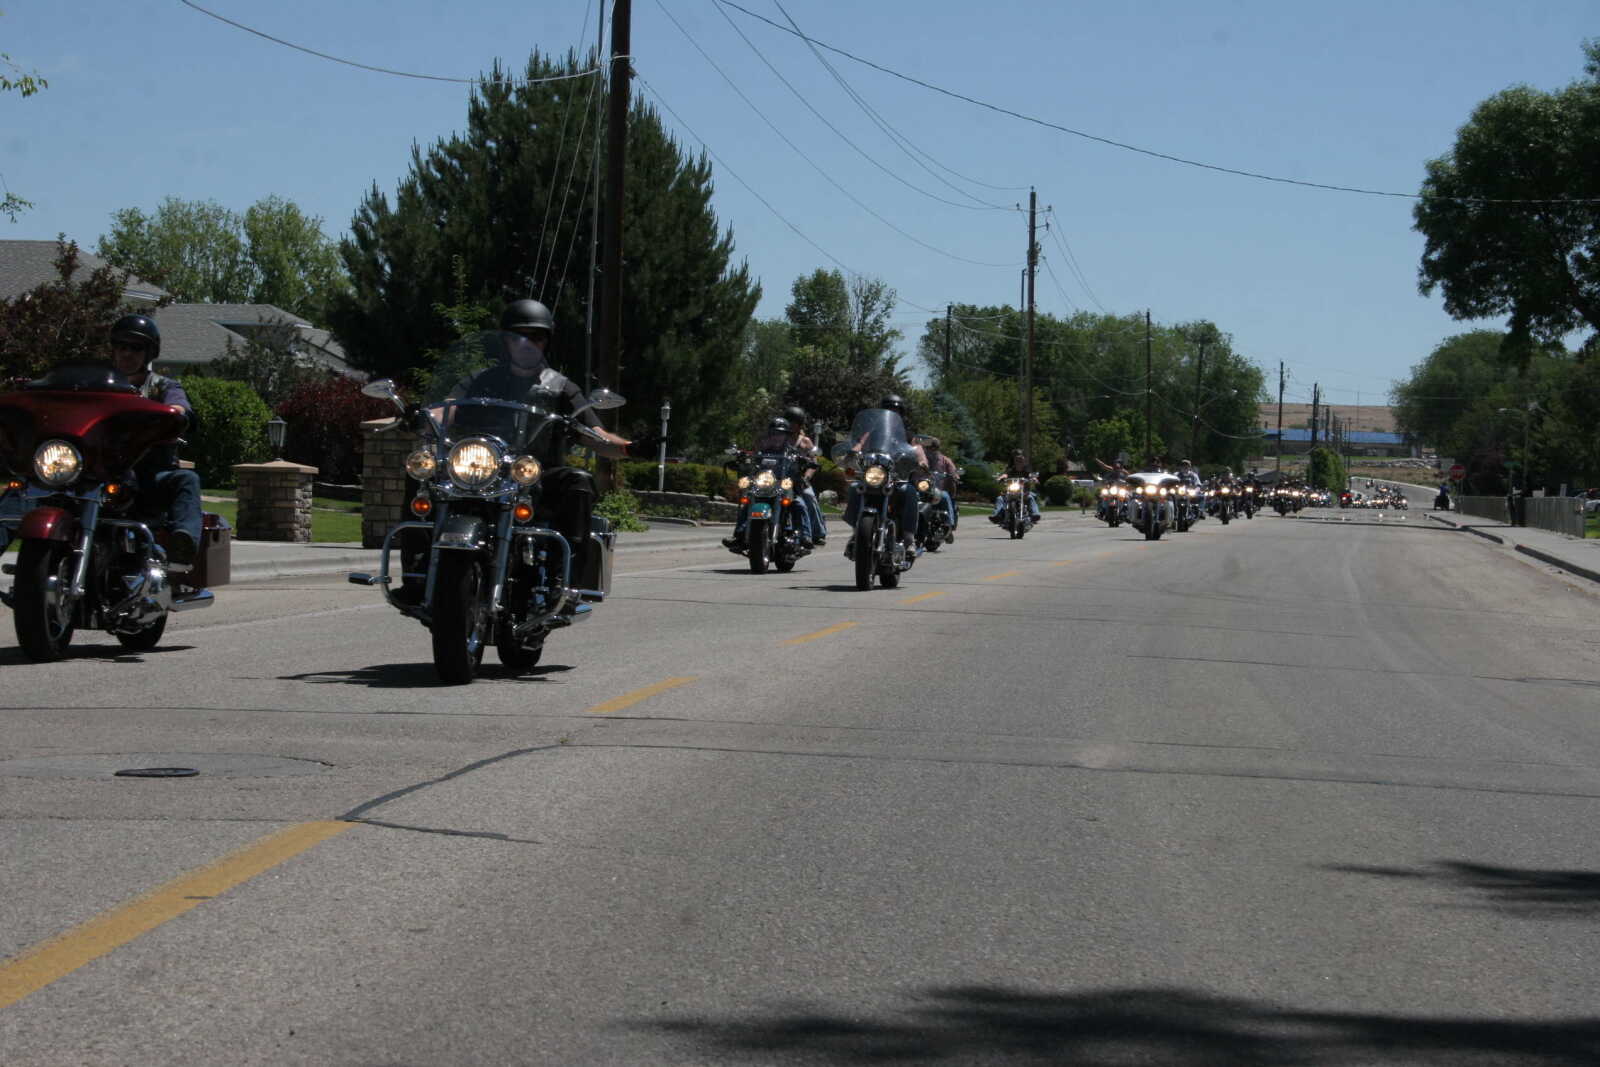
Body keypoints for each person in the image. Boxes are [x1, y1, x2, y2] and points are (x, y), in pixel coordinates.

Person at [444, 299, 650, 588]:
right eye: (519, 336)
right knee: (422, 475)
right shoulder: (481, 381)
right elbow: (448, 408)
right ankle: (416, 573)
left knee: (579, 481)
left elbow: (594, 433)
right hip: (485, 470)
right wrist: (422, 415)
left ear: (546, 342)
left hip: (540, 474)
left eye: (536, 337)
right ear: (506, 341)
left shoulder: (561, 387)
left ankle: (565, 579)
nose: (527, 343)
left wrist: (629, 447)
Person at [107, 314, 202, 566]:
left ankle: (183, 541)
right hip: (100, 471)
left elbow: (180, 408)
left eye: (136, 348)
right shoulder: (98, 386)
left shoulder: (163, 387)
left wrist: (176, 413)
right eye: (122, 346)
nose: (127, 353)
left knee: (187, 479)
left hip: (149, 475)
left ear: (148, 353)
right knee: (28, 484)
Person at [841, 394, 925, 558]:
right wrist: (852, 453)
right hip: (874, 476)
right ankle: (856, 533)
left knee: (909, 491)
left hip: (896, 478)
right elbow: (859, 446)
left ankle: (909, 538)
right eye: (888, 409)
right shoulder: (872, 433)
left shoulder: (907, 435)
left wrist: (922, 461)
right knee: (854, 488)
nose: (892, 412)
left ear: (901, 414)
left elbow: (918, 451)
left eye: (895, 410)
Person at [722, 415, 817, 551]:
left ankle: (805, 536)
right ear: (769, 434)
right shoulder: (762, 449)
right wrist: (742, 458)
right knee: (747, 502)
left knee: (799, 504)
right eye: (773, 433)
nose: (776, 437)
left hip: (785, 485)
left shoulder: (791, 451)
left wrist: (805, 461)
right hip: (764, 484)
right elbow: (751, 457)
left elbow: (806, 459)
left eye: (780, 434)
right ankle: (739, 535)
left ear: (786, 435)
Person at [922, 436, 959, 542]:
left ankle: (949, 525)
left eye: (931, 447)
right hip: (922, 489)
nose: (928, 450)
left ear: (936, 448)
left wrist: (954, 476)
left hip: (938, 490)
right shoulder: (921, 459)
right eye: (927, 447)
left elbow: (953, 472)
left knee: (945, 496)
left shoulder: (945, 460)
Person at [989, 449, 1040, 524]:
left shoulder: (1026, 470)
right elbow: (1006, 474)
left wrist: (1034, 479)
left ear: (1023, 460)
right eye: (1017, 459)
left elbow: (1030, 475)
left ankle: (1035, 514)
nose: (1019, 461)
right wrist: (1000, 478)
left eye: (1020, 459)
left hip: (1024, 492)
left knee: (1030, 497)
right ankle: (996, 516)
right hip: (1011, 492)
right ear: (1014, 460)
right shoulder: (1011, 469)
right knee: (1000, 498)